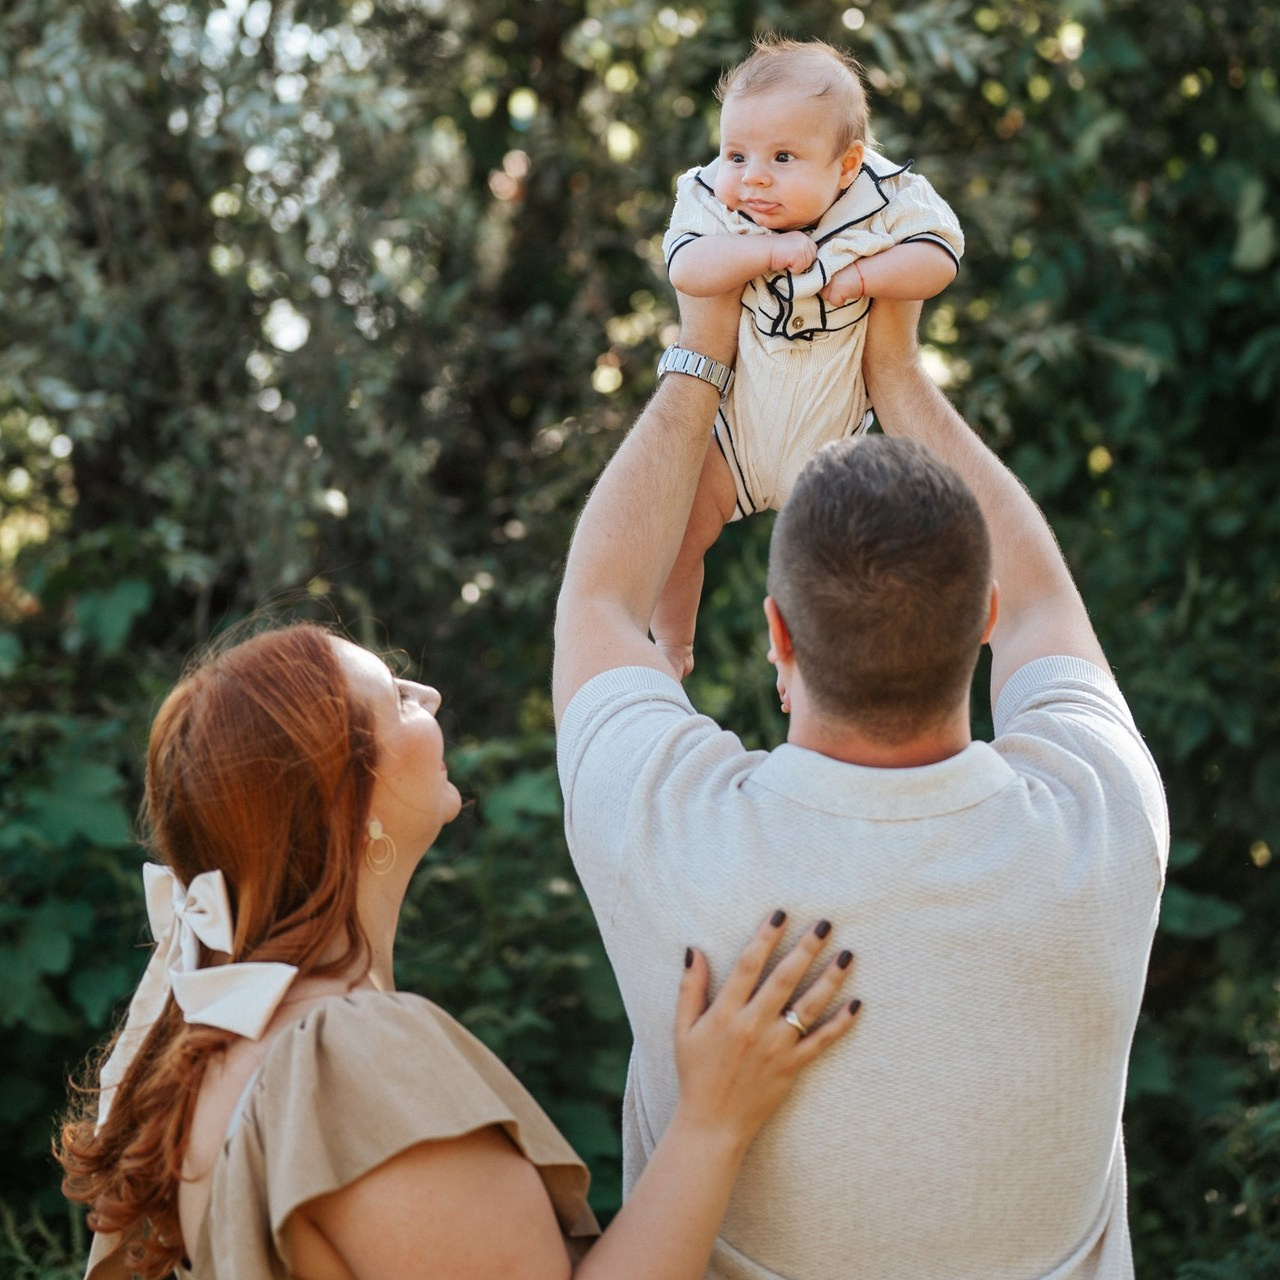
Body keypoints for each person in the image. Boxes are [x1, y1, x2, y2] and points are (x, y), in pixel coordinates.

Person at [553, 287, 1168, 1277]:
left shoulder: (666, 832)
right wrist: (898, 372)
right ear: (980, 619)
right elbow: (1046, 604)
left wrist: (700, 347)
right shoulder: (1105, 821)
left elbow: (598, 599)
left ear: (777, 636)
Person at [57, 623, 862, 1280]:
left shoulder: (211, 1044)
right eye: (398, 700)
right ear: (348, 796)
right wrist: (712, 1121)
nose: (430, 696)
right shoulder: (345, 1058)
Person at [651, 36, 964, 679]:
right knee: (675, 525)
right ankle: (672, 647)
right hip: (734, 433)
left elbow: (941, 258)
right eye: (735, 152)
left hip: (830, 441)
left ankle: (800, 668)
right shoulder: (713, 195)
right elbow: (687, 268)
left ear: (846, 166)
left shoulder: (885, 195)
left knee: (834, 562)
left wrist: (863, 278)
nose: (753, 176)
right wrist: (762, 254)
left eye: (783, 157)